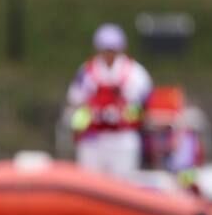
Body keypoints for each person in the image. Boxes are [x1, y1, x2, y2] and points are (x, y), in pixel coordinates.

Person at [65, 23, 154, 176]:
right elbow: (75, 100)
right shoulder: (86, 72)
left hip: (123, 137)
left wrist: (123, 113)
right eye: (105, 50)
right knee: (90, 181)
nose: (109, 54)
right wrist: (83, 123)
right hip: (93, 138)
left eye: (112, 50)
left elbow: (144, 104)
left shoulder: (135, 73)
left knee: (124, 181)